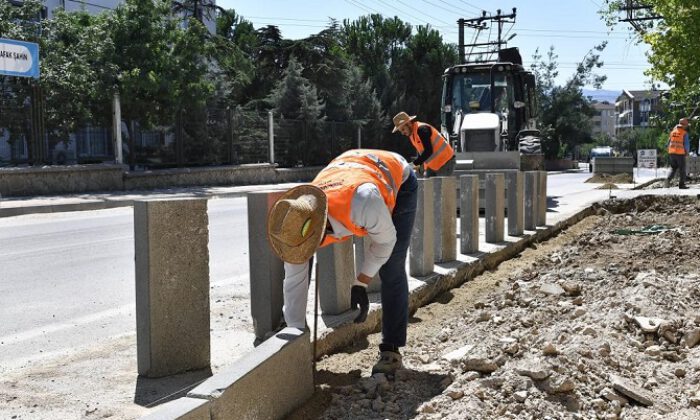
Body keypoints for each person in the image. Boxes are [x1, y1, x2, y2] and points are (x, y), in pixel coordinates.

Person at [266, 149, 417, 376]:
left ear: (322, 230)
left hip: (394, 176)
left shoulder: (363, 203)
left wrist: (361, 282)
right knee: (298, 269)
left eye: (307, 248)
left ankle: (391, 351)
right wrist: (296, 340)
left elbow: (386, 243)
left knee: (392, 266)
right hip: (348, 170)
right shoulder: (295, 225)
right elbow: (294, 283)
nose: (304, 252)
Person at [392, 112, 455, 177]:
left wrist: (414, 164)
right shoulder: (412, 134)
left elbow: (428, 151)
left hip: (446, 162)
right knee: (428, 186)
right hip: (433, 165)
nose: (402, 133)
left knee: (443, 186)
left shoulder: (422, 129)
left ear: (408, 124)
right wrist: (417, 166)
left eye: (403, 129)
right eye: (401, 131)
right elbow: (422, 152)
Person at [665, 117, 690, 189]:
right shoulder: (684, 133)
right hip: (680, 153)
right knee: (682, 169)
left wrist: (669, 151)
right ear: (684, 125)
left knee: (673, 168)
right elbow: (686, 145)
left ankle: (668, 180)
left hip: (671, 152)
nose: (687, 126)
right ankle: (681, 185)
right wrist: (687, 152)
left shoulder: (673, 132)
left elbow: (668, 143)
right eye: (686, 125)